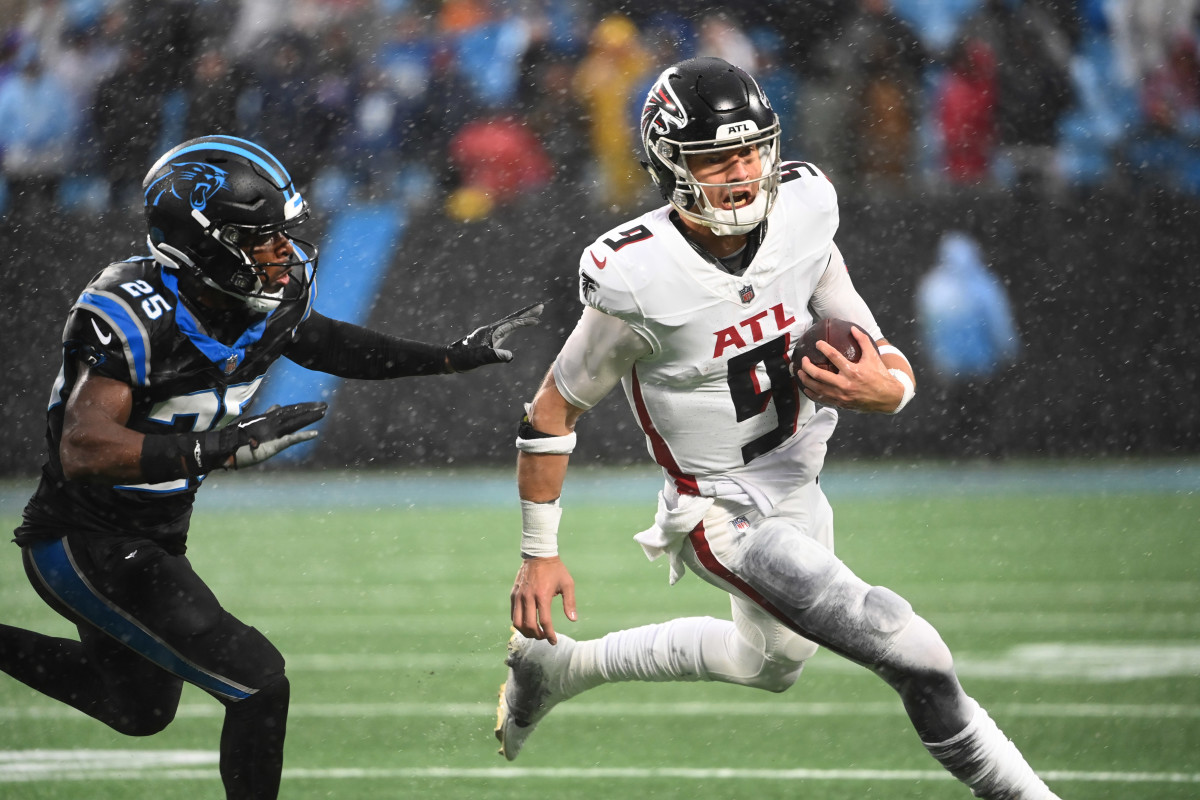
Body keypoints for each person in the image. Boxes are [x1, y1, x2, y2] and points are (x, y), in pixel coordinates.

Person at [494, 58, 1060, 800]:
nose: (742, 170)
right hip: (722, 512)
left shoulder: (804, 210)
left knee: (770, 665)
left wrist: (890, 392)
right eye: (717, 157)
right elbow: (551, 412)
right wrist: (540, 555)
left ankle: (558, 668)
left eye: (753, 149)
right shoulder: (637, 277)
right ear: (671, 165)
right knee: (913, 650)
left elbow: (875, 345)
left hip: (798, 487)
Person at [1, 135, 540, 800]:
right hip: (83, 542)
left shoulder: (256, 298)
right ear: (201, 243)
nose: (281, 252)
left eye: (282, 235)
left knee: (138, 711)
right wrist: (218, 448)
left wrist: (448, 357)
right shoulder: (136, 309)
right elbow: (83, 448)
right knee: (259, 683)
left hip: (151, 534)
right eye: (260, 239)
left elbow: (319, 341)